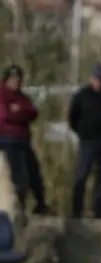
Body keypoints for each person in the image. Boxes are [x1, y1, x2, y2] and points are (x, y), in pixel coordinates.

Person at [68, 62, 101, 218]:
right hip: (87, 142)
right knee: (81, 176)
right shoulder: (82, 95)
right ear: (91, 78)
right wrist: (81, 132)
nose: (99, 82)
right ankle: (77, 211)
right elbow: (72, 117)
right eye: (97, 78)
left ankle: (99, 212)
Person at [0, 64, 50, 215]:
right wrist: (20, 113)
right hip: (7, 138)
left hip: (23, 138)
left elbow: (33, 112)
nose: (16, 82)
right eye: (13, 79)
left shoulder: (21, 97)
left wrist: (19, 112)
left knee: (33, 170)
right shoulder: (2, 95)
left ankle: (40, 203)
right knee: (17, 174)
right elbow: (5, 115)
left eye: (18, 79)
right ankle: (19, 206)